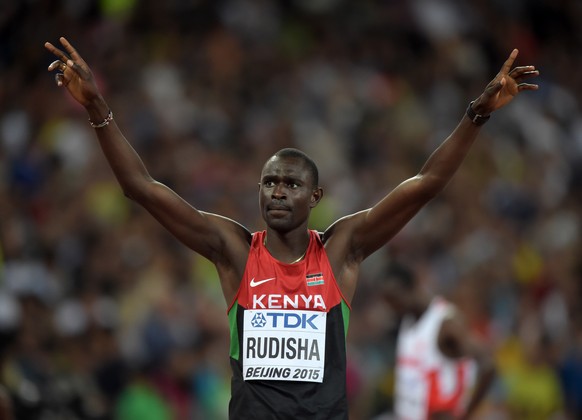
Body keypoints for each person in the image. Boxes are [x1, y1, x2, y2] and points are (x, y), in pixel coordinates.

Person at [44, 36, 538, 419]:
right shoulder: (233, 249)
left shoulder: (342, 249)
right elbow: (141, 187)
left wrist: (477, 114)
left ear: (315, 197)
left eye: (291, 184)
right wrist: (95, 107)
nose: (277, 191)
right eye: (269, 182)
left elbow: (426, 182)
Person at [378, 262, 496, 420]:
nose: (392, 307)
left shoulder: (445, 324)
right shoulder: (408, 319)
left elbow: (488, 364)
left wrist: (467, 414)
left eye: (394, 299)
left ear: (412, 287)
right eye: (388, 301)